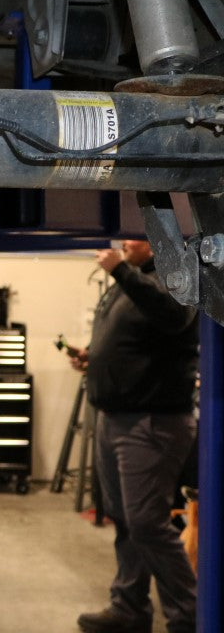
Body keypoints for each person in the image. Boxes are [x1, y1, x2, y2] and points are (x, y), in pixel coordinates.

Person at [71, 240, 199, 633]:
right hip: (118, 418)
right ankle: (128, 607)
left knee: (146, 523)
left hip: (151, 422)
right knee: (126, 520)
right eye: (122, 237)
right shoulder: (132, 279)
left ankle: (192, 616)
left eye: (135, 234)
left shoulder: (177, 277)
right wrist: (96, 357)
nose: (125, 242)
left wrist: (120, 272)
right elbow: (138, 338)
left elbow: (175, 317)